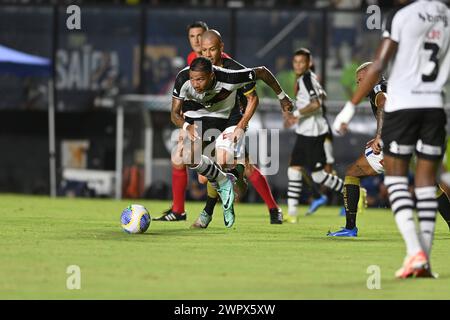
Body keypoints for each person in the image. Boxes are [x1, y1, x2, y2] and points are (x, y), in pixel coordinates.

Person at [333, 0, 450, 278]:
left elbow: (382, 97)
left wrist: (371, 129)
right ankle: (422, 257)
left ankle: (406, 250)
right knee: (429, 182)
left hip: (403, 117)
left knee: (369, 175)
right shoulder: (444, 13)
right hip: (435, 106)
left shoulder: (401, 17)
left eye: (359, 77)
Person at [171, 57, 293, 228]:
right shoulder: (183, 78)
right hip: (204, 121)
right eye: (193, 79)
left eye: (200, 79)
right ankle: (230, 177)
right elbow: (174, 113)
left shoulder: (230, 74)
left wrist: (282, 97)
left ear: (212, 74)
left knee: (221, 161)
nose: (195, 84)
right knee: (193, 165)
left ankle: (207, 213)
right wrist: (186, 126)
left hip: (231, 120)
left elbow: (262, 73)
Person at [190, 30, 283, 228]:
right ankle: (240, 180)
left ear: (221, 48)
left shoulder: (234, 70)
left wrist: (242, 125)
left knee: (220, 164)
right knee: (206, 175)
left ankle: (206, 214)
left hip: (234, 122)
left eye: (212, 50)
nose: (208, 54)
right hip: (211, 125)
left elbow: (253, 97)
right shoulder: (199, 71)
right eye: (204, 50)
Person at [156, 21, 230, 222]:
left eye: (200, 36)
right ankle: (179, 210)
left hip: (220, 121)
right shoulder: (191, 61)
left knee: (207, 175)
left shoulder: (222, 62)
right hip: (195, 120)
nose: (196, 40)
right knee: (179, 159)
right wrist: (186, 123)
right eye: (192, 37)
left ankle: (270, 207)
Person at [283, 48, 345, 224]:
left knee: (317, 175)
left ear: (309, 63)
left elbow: (316, 103)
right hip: (306, 131)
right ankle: (292, 213)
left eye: (302, 62)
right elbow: (322, 95)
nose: (298, 65)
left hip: (313, 132)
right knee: (294, 168)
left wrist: (296, 114)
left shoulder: (307, 79)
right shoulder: (310, 78)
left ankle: (352, 193)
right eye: (296, 62)